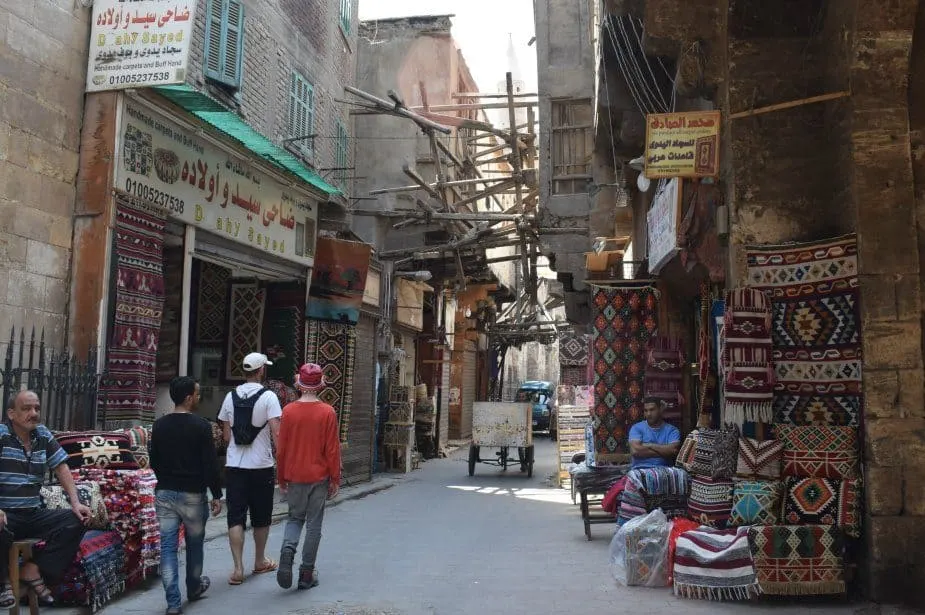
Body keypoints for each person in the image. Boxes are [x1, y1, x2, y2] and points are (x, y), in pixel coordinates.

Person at [0, 390, 91, 608]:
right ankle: (3, 584)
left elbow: (61, 467)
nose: (33, 413)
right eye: (27, 409)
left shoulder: (42, 435)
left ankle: (32, 569)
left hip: (32, 513)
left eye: (37, 408)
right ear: (11, 413)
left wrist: (76, 502)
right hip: (6, 514)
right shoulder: (1, 435)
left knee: (77, 519)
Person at [149, 377, 224, 615]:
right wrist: (216, 494)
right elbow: (210, 464)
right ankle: (193, 587)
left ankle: (173, 602)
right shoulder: (202, 426)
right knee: (194, 545)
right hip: (193, 493)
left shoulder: (159, 426)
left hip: (166, 492)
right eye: (198, 394)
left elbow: (155, 461)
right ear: (189, 397)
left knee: (168, 547)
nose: (199, 398)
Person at [217, 352, 282, 585]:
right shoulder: (269, 397)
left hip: (235, 466)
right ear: (261, 370)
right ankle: (259, 560)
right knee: (261, 516)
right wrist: (281, 456)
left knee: (235, 516)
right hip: (261, 466)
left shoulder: (229, 397)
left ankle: (237, 568)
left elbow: (225, 435)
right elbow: (276, 432)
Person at [275, 364, 341, 591]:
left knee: (294, 519)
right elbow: (332, 449)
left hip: (294, 475)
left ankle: (287, 549)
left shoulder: (288, 411)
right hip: (318, 476)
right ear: (320, 384)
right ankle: (306, 573)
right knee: (314, 525)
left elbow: (281, 449)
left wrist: (281, 478)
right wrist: (335, 478)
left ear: (299, 384)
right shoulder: (327, 412)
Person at [628, 397, 681, 469]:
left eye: (652, 410)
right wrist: (664, 452)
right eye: (646, 411)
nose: (649, 414)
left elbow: (673, 451)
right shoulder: (637, 428)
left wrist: (649, 445)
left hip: (664, 471)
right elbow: (635, 451)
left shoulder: (672, 430)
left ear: (660, 410)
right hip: (640, 470)